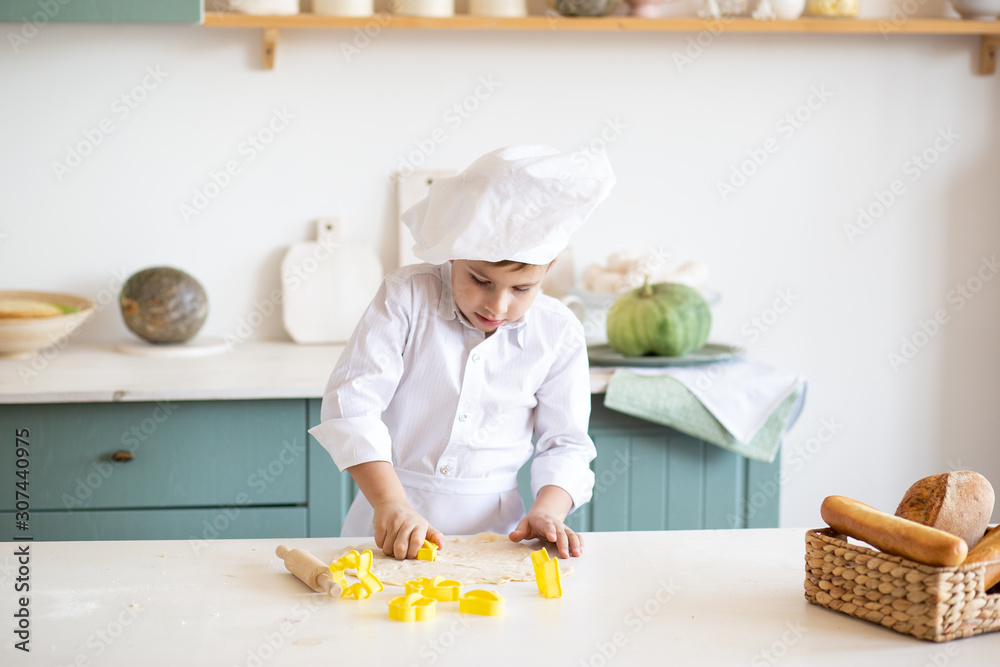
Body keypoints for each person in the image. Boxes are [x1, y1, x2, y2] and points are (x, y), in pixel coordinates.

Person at [308, 145, 616, 561]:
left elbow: (566, 444)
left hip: (499, 537)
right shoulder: (406, 297)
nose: (498, 305)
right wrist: (390, 503)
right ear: (454, 250)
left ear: (550, 267)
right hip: (387, 522)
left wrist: (549, 509)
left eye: (521, 289)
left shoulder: (558, 332)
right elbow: (352, 405)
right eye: (479, 279)